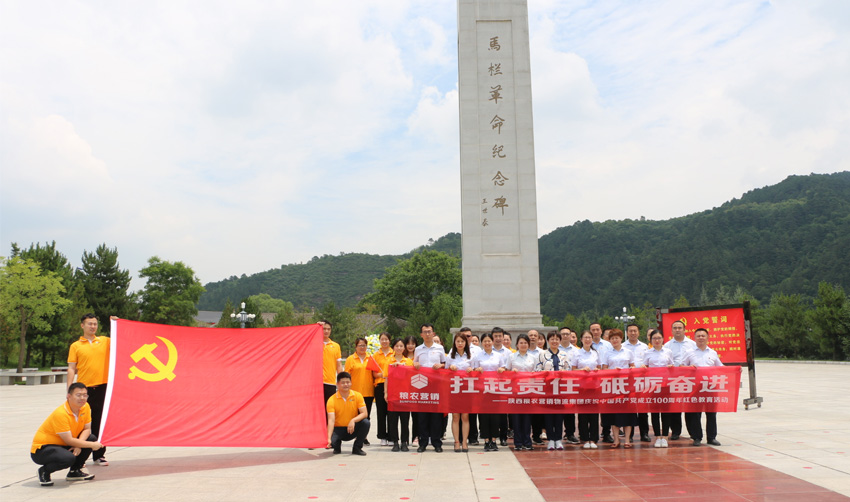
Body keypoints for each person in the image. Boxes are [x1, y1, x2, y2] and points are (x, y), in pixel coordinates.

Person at [31, 382, 103, 486]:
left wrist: (79, 444)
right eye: (78, 395)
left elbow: (87, 429)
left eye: (85, 395)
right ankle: (44, 471)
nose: (82, 398)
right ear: (69, 396)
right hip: (43, 449)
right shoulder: (61, 413)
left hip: (63, 444)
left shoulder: (86, 407)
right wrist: (91, 446)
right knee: (68, 458)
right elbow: (68, 440)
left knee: (91, 438)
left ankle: (74, 472)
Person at [67, 313, 110, 466]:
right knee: (81, 424)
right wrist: (69, 389)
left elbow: (123, 341)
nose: (93, 327)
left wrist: (119, 323)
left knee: (100, 422)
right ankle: (79, 457)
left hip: (103, 388)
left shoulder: (105, 341)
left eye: (95, 324)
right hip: (83, 390)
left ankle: (99, 455)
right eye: (89, 324)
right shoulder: (76, 346)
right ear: (82, 325)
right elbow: (72, 368)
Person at [683, 328, 723, 447]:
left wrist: (735, 370)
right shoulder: (689, 352)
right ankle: (697, 437)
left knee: (711, 413)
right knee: (696, 413)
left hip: (710, 387)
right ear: (694, 338)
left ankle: (711, 437)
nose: (701, 338)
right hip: (695, 387)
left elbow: (720, 367)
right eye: (698, 336)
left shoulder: (713, 352)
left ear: (707, 337)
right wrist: (689, 368)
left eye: (703, 336)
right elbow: (681, 366)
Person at [471, 332, 507, 451]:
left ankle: (494, 440)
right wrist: (477, 369)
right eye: (485, 341)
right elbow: (473, 370)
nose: (487, 343)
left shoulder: (498, 355)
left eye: (489, 341)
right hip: (482, 390)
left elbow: (504, 368)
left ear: (492, 342)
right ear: (482, 343)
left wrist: (502, 369)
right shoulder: (478, 356)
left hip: (496, 389)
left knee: (495, 417)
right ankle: (486, 440)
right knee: (484, 417)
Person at [601, 329, 637, 448]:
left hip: (626, 386)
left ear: (621, 338)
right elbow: (604, 369)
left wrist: (629, 370)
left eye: (617, 338)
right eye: (612, 338)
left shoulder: (628, 351)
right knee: (614, 414)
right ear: (609, 340)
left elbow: (632, 366)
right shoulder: (607, 353)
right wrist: (613, 371)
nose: (615, 340)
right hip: (613, 386)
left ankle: (627, 439)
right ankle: (616, 439)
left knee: (627, 413)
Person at [413, 324, 446, 452]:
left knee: (436, 416)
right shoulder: (418, 349)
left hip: (436, 386)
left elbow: (445, 364)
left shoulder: (440, 348)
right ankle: (423, 442)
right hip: (422, 386)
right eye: (425, 332)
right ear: (421, 334)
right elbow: (414, 364)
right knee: (422, 417)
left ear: (433, 333)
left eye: (429, 332)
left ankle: (437, 443)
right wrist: (415, 364)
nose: (427, 334)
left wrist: (441, 366)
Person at [536, 331, 571, 450]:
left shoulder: (564, 354)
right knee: (549, 415)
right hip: (547, 389)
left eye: (557, 339)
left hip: (560, 389)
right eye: (552, 339)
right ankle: (551, 439)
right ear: (548, 340)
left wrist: (562, 374)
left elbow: (568, 369)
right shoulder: (542, 354)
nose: (554, 341)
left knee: (559, 415)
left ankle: (558, 439)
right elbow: (538, 369)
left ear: (560, 341)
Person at [664, 320, 697, 440]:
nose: (677, 330)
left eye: (680, 328)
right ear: (672, 330)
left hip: (689, 380)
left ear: (684, 329)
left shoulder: (692, 344)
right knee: (675, 407)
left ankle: (693, 432)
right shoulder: (667, 345)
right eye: (675, 328)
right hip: (673, 380)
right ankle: (676, 432)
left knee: (690, 407)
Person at [643, 329, 674, 448]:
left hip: (666, 386)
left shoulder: (668, 352)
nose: (657, 340)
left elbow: (672, 366)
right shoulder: (647, 353)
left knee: (666, 412)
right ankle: (657, 437)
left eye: (659, 338)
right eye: (654, 338)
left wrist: (671, 367)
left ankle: (665, 437)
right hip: (653, 386)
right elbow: (644, 367)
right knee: (655, 413)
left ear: (663, 339)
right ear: (650, 340)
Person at [326, 372, 370, 456]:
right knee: (333, 442)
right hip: (338, 429)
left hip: (352, 428)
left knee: (366, 422)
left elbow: (364, 413)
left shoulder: (357, 396)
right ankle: (336, 445)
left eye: (348, 382)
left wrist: (353, 420)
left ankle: (357, 448)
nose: (346, 384)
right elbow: (331, 420)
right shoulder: (331, 400)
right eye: (343, 383)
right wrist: (328, 438)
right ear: (337, 384)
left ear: (351, 383)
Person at [344, 338, 376, 445]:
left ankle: (363, 436)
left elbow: (375, 374)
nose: (362, 348)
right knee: (355, 415)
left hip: (368, 392)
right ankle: (355, 435)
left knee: (366, 416)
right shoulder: (350, 359)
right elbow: (346, 376)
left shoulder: (370, 358)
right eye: (360, 345)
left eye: (364, 345)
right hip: (354, 393)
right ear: (356, 347)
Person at [506, 333, 536, 451]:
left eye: (525, 343)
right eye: (521, 343)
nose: (523, 345)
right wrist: (511, 372)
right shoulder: (512, 357)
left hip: (529, 391)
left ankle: (527, 442)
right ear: (517, 345)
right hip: (515, 391)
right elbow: (506, 372)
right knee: (516, 418)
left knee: (527, 418)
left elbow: (536, 373)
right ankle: (518, 442)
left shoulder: (533, 357)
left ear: (528, 344)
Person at [623, 323, 651, 443]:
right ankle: (630, 435)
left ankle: (644, 433)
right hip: (627, 382)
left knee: (643, 408)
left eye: (635, 331)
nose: (633, 333)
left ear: (639, 332)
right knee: (629, 409)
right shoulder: (623, 346)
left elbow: (649, 362)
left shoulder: (645, 347)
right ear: (627, 333)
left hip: (642, 380)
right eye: (630, 331)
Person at [573, 331, 601, 449]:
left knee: (594, 414)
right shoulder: (577, 353)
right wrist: (582, 370)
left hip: (594, 387)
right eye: (585, 337)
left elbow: (600, 368)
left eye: (589, 337)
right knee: (583, 414)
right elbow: (572, 370)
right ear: (581, 339)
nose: (588, 340)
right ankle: (584, 438)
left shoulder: (596, 353)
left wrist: (596, 371)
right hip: (582, 387)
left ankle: (593, 438)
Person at [446, 332, 473, 452]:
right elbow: (444, 373)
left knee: (465, 416)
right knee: (456, 417)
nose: (460, 344)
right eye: (458, 341)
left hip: (467, 390)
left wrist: (472, 370)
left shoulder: (471, 356)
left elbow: (478, 370)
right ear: (455, 343)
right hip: (454, 390)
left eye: (462, 341)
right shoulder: (450, 356)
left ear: (465, 343)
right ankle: (456, 442)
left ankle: (464, 442)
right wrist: (450, 369)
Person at [386, 338, 413, 452]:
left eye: (401, 346)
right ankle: (395, 442)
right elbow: (386, 378)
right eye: (397, 346)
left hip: (405, 395)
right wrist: (386, 393)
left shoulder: (408, 361)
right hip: (393, 395)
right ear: (393, 347)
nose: (399, 348)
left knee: (405, 420)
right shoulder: (389, 361)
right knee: (392, 420)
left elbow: (411, 378)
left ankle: (404, 442)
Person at [589, 323, 613, 443]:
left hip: (606, 380)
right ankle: (591, 433)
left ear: (601, 331)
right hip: (591, 382)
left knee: (606, 408)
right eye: (593, 330)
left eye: (597, 329)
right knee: (592, 407)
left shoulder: (608, 345)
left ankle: (606, 432)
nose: (595, 332)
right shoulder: (587, 344)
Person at [558, 327, 580, 445]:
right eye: (563, 334)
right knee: (557, 409)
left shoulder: (576, 350)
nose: (565, 336)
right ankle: (556, 434)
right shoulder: (555, 349)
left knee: (570, 409)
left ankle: (570, 433)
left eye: (568, 334)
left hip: (571, 383)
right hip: (556, 384)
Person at [372, 332, 393, 446]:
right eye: (382, 339)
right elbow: (374, 374)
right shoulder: (376, 355)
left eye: (386, 339)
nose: (384, 341)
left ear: (390, 340)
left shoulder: (394, 353)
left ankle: (391, 436)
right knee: (381, 412)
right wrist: (384, 375)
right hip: (380, 385)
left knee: (391, 412)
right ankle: (382, 437)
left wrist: (387, 375)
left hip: (392, 386)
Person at [320, 321, 343, 421]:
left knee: (329, 409)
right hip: (317, 383)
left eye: (328, 329)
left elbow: (339, 365)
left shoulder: (336, 346)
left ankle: (328, 433)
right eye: (324, 328)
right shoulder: (314, 343)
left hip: (330, 383)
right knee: (318, 410)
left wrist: (341, 381)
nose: (326, 331)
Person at [402, 335, 420, 445]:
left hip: (417, 390)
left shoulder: (419, 357)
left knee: (416, 416)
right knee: (404, 417)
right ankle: (404, 439)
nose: (410, 346)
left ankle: (416, 437)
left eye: (413, 344)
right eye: (408, 343)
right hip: (404, 390)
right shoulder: (401, 358)